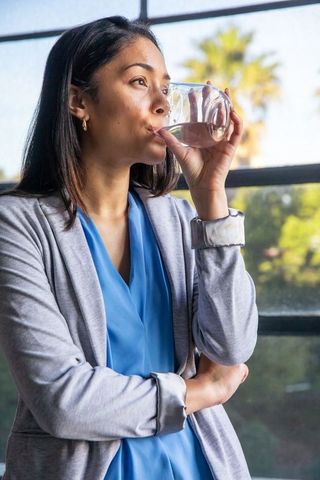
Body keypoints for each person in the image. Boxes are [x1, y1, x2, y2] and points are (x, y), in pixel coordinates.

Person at [0, 16, 258, 480]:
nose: (163, 103)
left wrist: (211, 203)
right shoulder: (15, 226)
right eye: (140, 82)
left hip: (198, 466)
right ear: (79, 102)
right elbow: (63, 400)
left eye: (165, 86)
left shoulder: (180, 221)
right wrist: (202, 392)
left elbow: (232, 345)